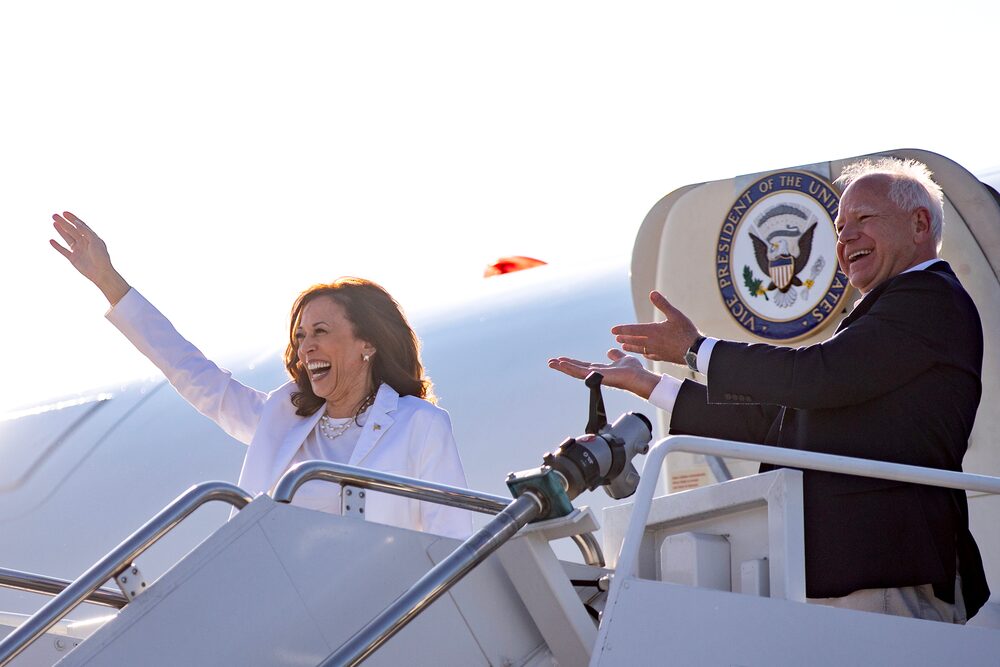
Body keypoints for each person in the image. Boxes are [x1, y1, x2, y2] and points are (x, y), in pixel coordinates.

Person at [549, 157, 990, 622]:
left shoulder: (928, 299)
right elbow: (775, 420)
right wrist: (651, 384)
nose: (845, 239)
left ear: (919, 223)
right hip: (838, 574)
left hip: (881, 567)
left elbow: (819, 375)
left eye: (863, 219)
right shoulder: (886, 318)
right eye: (839, 228)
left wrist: (697, 349)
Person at [50, 211, 473, 539]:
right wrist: (108, 281)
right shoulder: (281, 415)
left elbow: (451, 542)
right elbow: (194, 375)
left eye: (321, 332)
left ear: (368, 343)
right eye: (301, 335)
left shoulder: (419, 425)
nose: (306, 346)